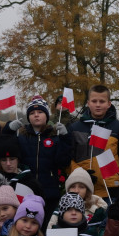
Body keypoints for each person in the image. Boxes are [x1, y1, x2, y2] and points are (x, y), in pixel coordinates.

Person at [66, 84, 119, 202]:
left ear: (109, 104)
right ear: (88, 103)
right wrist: (83, 175)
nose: (98, 105)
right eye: (94, 101)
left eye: (102, 101)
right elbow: (68, 159)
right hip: (82, 188)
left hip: (111, 189)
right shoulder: (74, 128)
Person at [12, 96, 71, 224]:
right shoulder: (21, 137)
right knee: (27, 226)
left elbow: (63, 162)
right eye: (32, 113)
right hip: (26, 191)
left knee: (47, 226)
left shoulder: (55, 136)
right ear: (28, 117)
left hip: (50, 191)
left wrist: (65, 138)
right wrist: (8, 131)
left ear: (46, 116)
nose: (36, 115)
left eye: (40, 112)